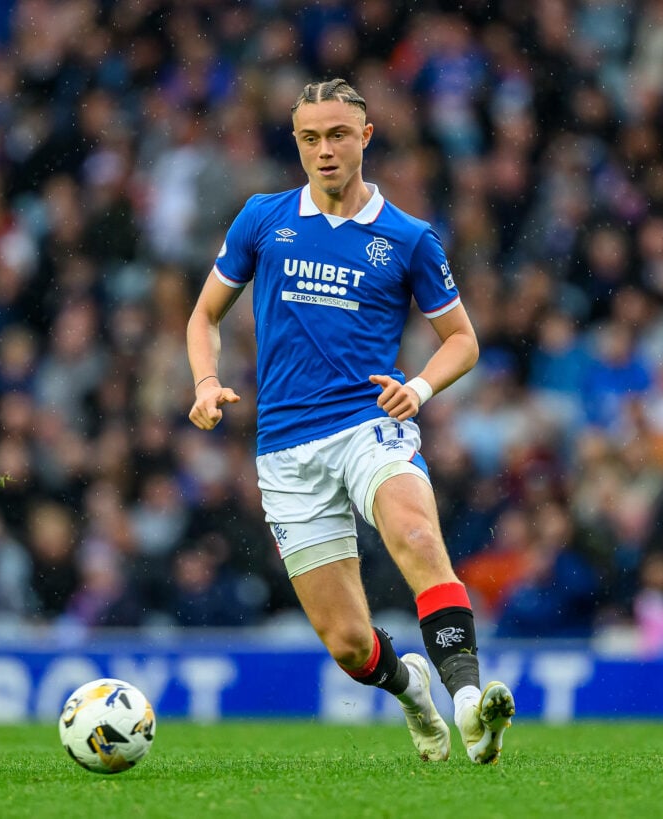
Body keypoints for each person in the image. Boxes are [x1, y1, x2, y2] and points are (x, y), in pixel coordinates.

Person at [186, 78, 514, 764]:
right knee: (349, 644)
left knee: (420, 535)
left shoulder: (407, 237)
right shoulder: (261, 218)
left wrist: (419, 388)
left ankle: (469, 704)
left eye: (338, 134)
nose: (325, 149)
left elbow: (463, 339)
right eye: (310, 137)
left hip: (371, 424)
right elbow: (204, 314)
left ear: (366, 136)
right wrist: (208, 381)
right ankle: (415, 693)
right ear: (297, 143)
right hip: (285, 448)